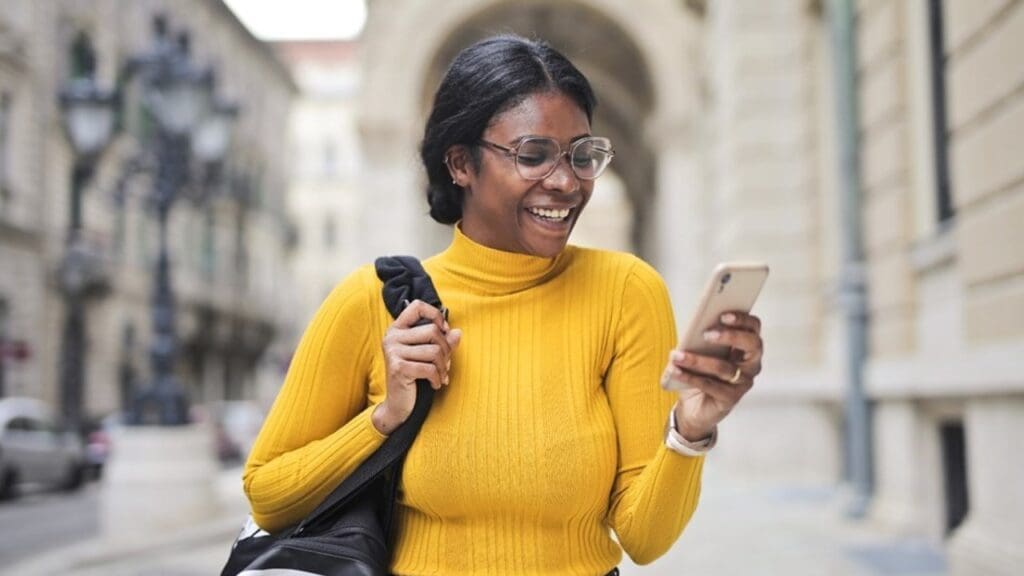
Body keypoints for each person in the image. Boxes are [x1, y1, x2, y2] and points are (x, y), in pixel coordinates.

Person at [243, 35, 764, 575]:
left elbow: (644, 538)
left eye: (582, 155)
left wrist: (692, 427)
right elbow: (268, 495)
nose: (565, 182)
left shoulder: (627, 292)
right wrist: (384, 418)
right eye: (532, 155)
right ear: (461, 163)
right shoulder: (371, 302)